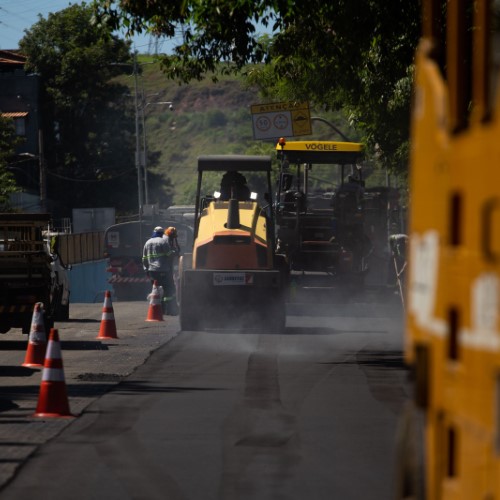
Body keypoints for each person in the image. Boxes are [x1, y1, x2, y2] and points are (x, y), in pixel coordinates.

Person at [142, 226, 178, 315]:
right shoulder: (163, 241)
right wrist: (175, 252)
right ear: (162, 233)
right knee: (167, 289)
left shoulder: (147, 242)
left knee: (156, 290)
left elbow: (144, 259)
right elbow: (169, 254)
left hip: (152, 271)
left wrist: (146, 269)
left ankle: (157, 310)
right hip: (163, 270)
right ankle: (168, 310)